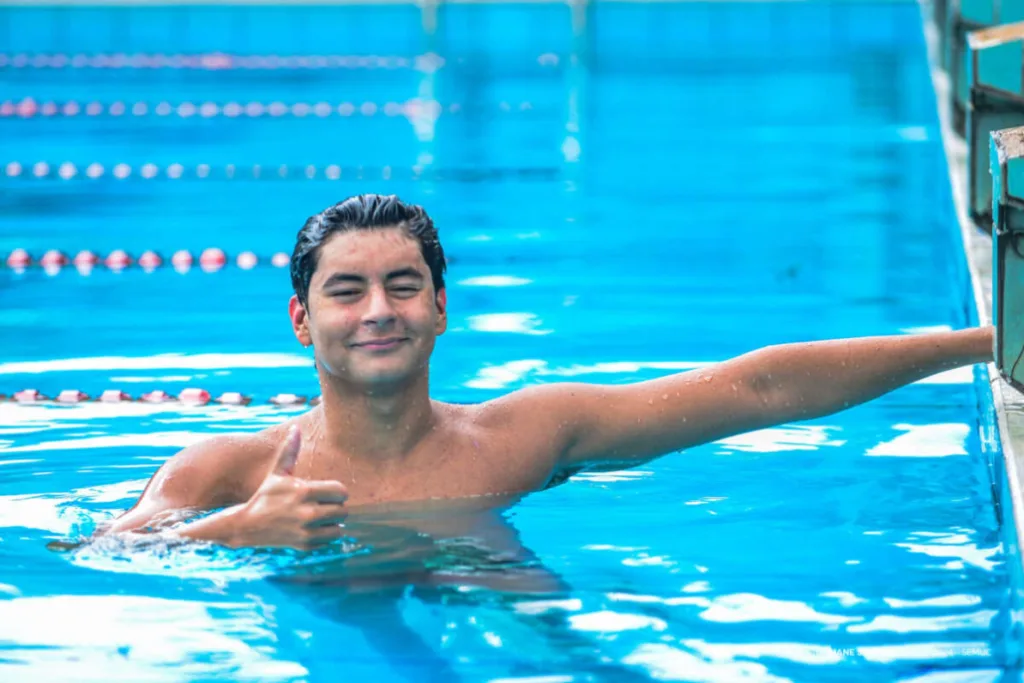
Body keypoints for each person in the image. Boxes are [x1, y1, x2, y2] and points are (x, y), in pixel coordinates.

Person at [99, 193, 995, 550]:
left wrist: (991, 341)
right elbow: (102, 553)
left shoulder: (525, 436)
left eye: (404, 285)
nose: (379, 310)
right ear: (302, 319)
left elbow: (759, 388)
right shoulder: (226, 473)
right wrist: (233, 532)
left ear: (441, 309)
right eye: (348, 291)